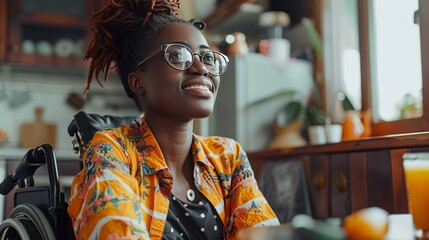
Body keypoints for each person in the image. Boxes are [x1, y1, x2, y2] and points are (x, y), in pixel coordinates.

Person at [67, 0, 280, 239]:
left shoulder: (228, 157)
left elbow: (263, 234)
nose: (201, 68)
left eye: (208, 57)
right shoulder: (111, 152)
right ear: (138, 81)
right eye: (178, 55)